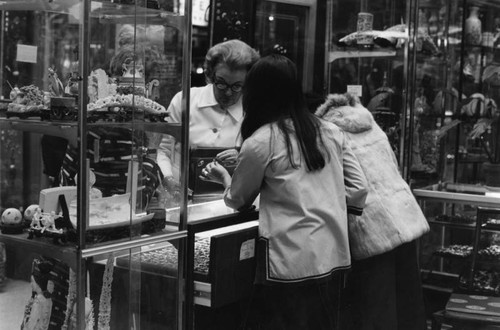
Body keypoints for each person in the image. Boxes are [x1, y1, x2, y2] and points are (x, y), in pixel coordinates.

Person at [201, 54, 368, 329]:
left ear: (256, 93)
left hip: (288, 259)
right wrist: (327, 199)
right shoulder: (331, 131)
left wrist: (223, 178)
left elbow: (238, 200)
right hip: (334, 254)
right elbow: (359, 190)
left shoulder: (262, 139)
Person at [315, 92, 430, 330]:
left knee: (376, 310)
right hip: (404, 217)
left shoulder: (328, 131)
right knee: (407, 307)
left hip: (370, 227)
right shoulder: (371, 124)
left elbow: (340, 184)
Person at [156, 39, 260, 193]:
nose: (229, 92)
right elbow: (163, 150)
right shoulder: (185, 100)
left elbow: (261, 159)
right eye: (221, 83)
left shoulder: (253, 110)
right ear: (211, 75)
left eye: (237, 86)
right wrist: (168, 179)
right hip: (182, 196)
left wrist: (243, 156)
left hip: (231, 197)